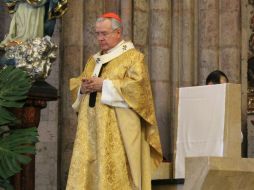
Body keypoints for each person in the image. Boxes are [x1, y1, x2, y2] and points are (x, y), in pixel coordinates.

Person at [66, 12, 162, 190]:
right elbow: (79, 83)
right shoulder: (93, 60)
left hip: (116, 130)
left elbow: (139, 90)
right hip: (90, 129)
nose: (100, 38)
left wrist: (105, 85)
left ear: (118, 33)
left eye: (104, 33)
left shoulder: (133, 57)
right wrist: (82, 88)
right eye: (97, 34)